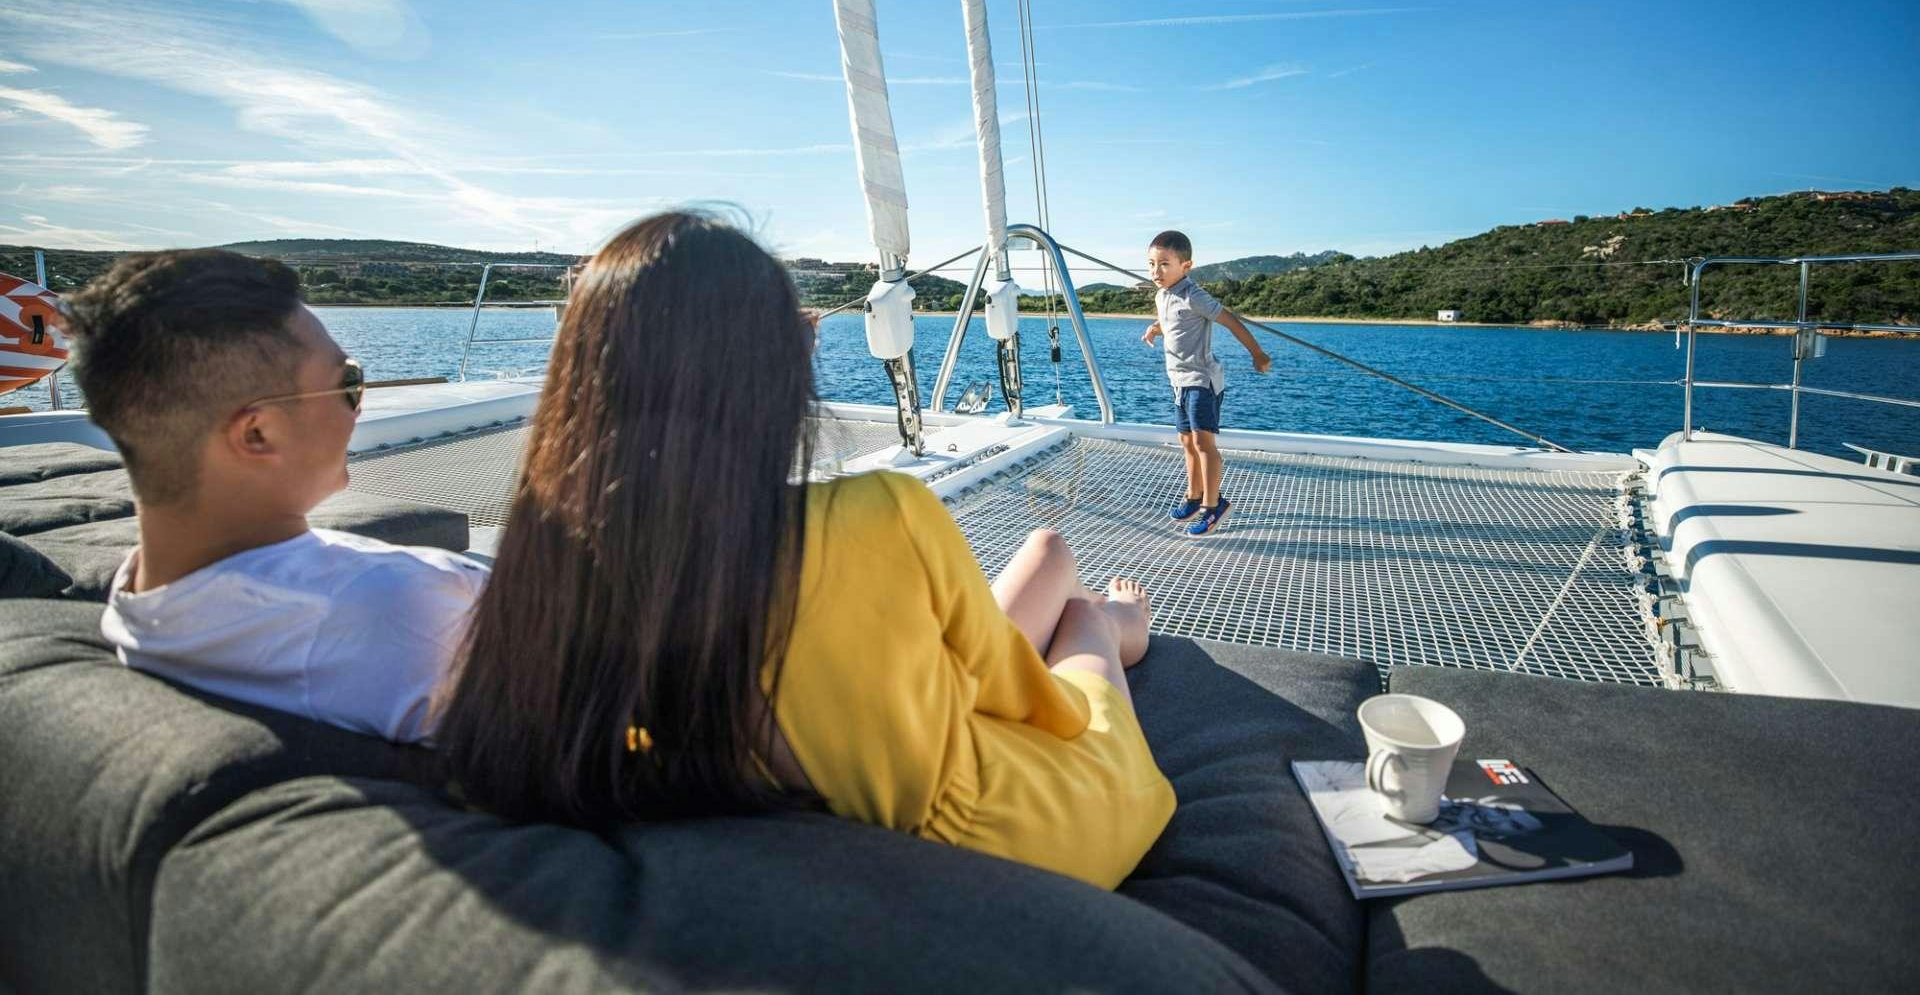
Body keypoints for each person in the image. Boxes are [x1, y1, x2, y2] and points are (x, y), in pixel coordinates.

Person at [435, 212, 1175, 890]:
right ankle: (1114, 627)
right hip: (998, 832)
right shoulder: (875, 516)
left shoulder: (560, 566)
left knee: (1045, 552)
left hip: (885, 761)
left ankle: (1096, 615)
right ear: (769, 376)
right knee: (1076, 614)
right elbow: (1022, 701)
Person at [65, 249, 487, 743]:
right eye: (348, 382)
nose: (356, 408)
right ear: (258, 433)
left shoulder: (138, 596)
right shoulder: (392, 605)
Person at [1141, 229, 1272, 535]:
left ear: (1185, 266)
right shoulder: (1163, 295)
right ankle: (1194, 495)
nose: (1155, 272)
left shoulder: (1194, 295)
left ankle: (1214, 507)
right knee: (1186, 442)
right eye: (1151, 264)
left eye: (1164, 264)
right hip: (1179, 382)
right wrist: (1154, 329)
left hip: (1202, 380)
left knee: (1203, 443)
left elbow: (1230, 320)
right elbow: (1172, 322)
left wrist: (1257, 353)